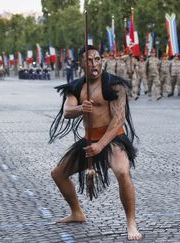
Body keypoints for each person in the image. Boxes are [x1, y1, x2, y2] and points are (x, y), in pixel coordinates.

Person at [49, 45, 142, 241]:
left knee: (123, 172)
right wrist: (82, 107)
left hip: (113, 138)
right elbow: (67, 111)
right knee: (58, 174)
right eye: (89, 60)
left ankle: (131, 223)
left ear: (102, 61)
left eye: (97, 59)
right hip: (89, 139)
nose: (94, 64)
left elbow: (118, 118)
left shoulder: (114, 85)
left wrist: (101, 145)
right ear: (81, 63)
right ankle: (77, 212)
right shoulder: (76, 87)